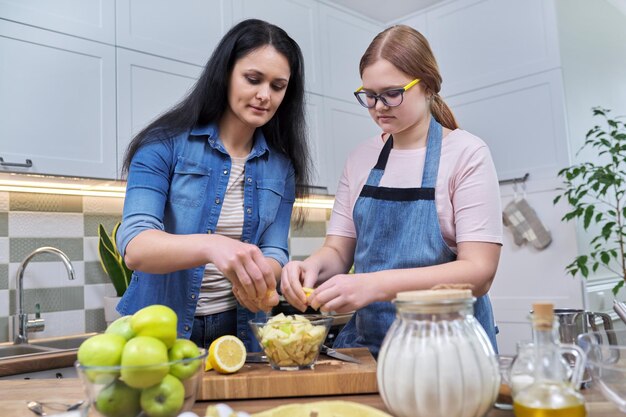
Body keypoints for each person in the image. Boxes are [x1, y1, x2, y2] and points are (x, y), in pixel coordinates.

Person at [280, 25, 502, 357]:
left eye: (392, 93)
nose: (378, 106)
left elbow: (479, 272)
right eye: (369, 95)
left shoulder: (467, 153)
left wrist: (373, 285)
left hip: (451, 350)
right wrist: (309, 267)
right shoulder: (360, 159)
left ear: (427, 86)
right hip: (372, 348)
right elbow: (339, 252)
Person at [115, 19, 311, 352]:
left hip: (242, 332)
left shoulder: (282, 168)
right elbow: (136, 245)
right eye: (253, 79)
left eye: (278, 86)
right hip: (159, 329)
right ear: (225, 74)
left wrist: (263, 274)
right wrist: (213, 246)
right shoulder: (162, 145)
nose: (264, 95)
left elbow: (275, 249)